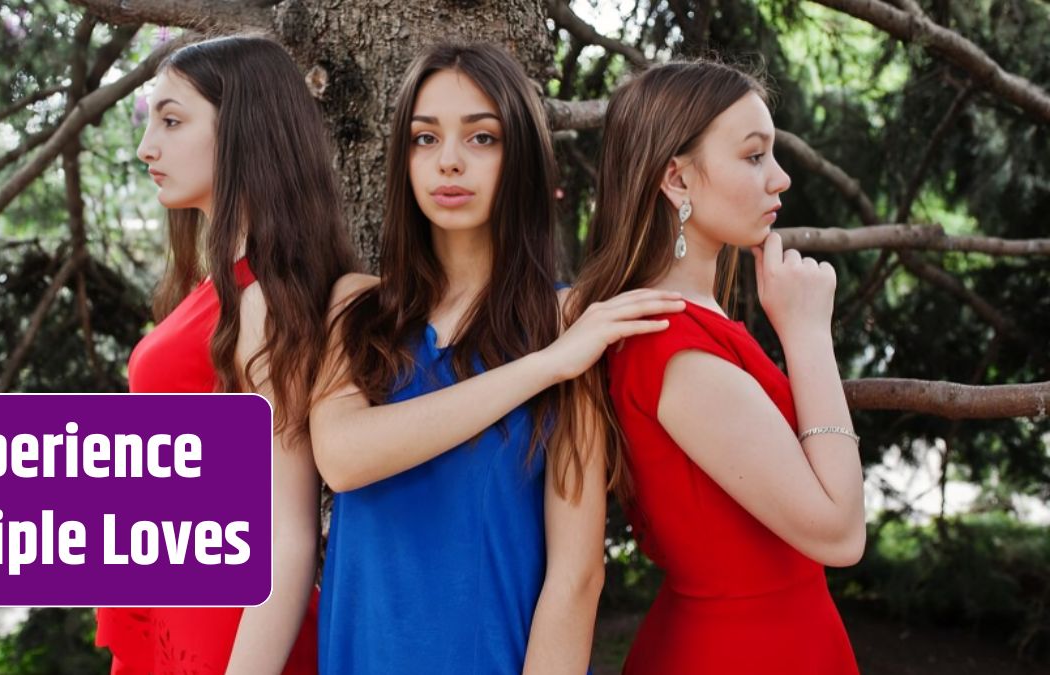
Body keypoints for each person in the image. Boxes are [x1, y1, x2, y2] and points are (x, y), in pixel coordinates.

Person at [309, 42, 685, 675]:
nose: (449, 162)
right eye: (425, 140)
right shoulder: (357, 309)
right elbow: (343, 458)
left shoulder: (567, 322)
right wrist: (543, 367)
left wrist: (560, 353)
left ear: (521, 160)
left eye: (482, 138)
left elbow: (577, 577)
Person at [568, 59, 864, 674]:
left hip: (766, 636)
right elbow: (839, 534)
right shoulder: (674, 348)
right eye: (754, 156)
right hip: (747, 649)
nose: (780, 179)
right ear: (676, 180)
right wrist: (809, 335)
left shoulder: (685, 323)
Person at [95, 35, 357, 675]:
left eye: (172, 120)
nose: (145, 147)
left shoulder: (264, 300)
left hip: (229, 636)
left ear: (244, 129)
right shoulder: (215, 290)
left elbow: (285, 531)